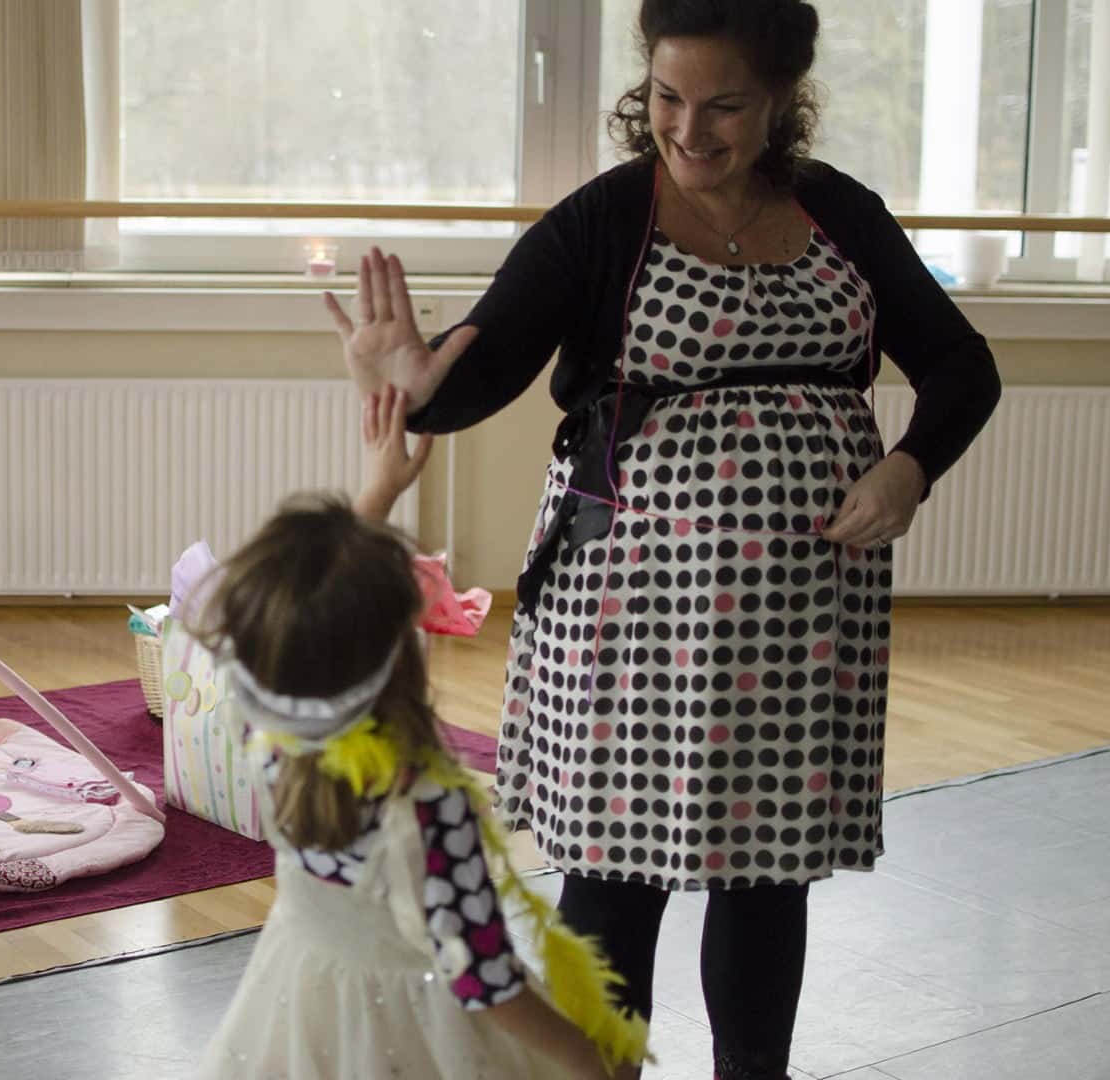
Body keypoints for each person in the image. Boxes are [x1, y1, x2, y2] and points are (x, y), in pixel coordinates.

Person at [322, 3, 1002, 1077]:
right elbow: (475, 377)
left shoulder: (839, 214)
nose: (687, 129)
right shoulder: (599, 220)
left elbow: (962, 368)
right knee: (613, 871)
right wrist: (411, 383)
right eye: (665, 98)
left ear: (779, 100)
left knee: (765, 873)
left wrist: (908, 468)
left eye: (722, 104)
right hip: (628, 603)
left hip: (800, 605)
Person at [193, 386, 651, 1079]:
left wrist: (378, 490)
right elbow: (483, 980)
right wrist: (587, 1062)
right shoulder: (429, 812)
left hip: (301, 1006)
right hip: (411, 1038)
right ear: (404, 651)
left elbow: (311, 624)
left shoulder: (270, 731)